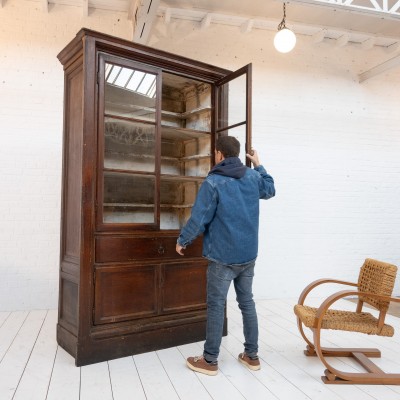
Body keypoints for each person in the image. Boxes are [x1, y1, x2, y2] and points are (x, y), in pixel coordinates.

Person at [176, 136, 275, 376]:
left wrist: (183, 240)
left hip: (222, 257)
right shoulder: (252, 177)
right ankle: (252, 356)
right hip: (248, 255)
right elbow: (270, 189)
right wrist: (259, 164)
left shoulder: (214, 182)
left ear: (218, 154)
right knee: (247, 303)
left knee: (216, 306)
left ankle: (210, 360)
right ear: (238, 154)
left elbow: (200, 218)